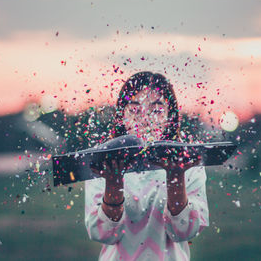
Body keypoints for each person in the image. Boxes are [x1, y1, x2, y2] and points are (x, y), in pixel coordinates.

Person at [84, 71, 209, 260]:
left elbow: (184, 232)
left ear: (170, 117)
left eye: (157, 110)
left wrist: (176, 179)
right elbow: (102, 234)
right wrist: (113, 183)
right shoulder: (104, 163)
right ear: (121, 115)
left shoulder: (188, 164)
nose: (145, 118)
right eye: (134, 109)